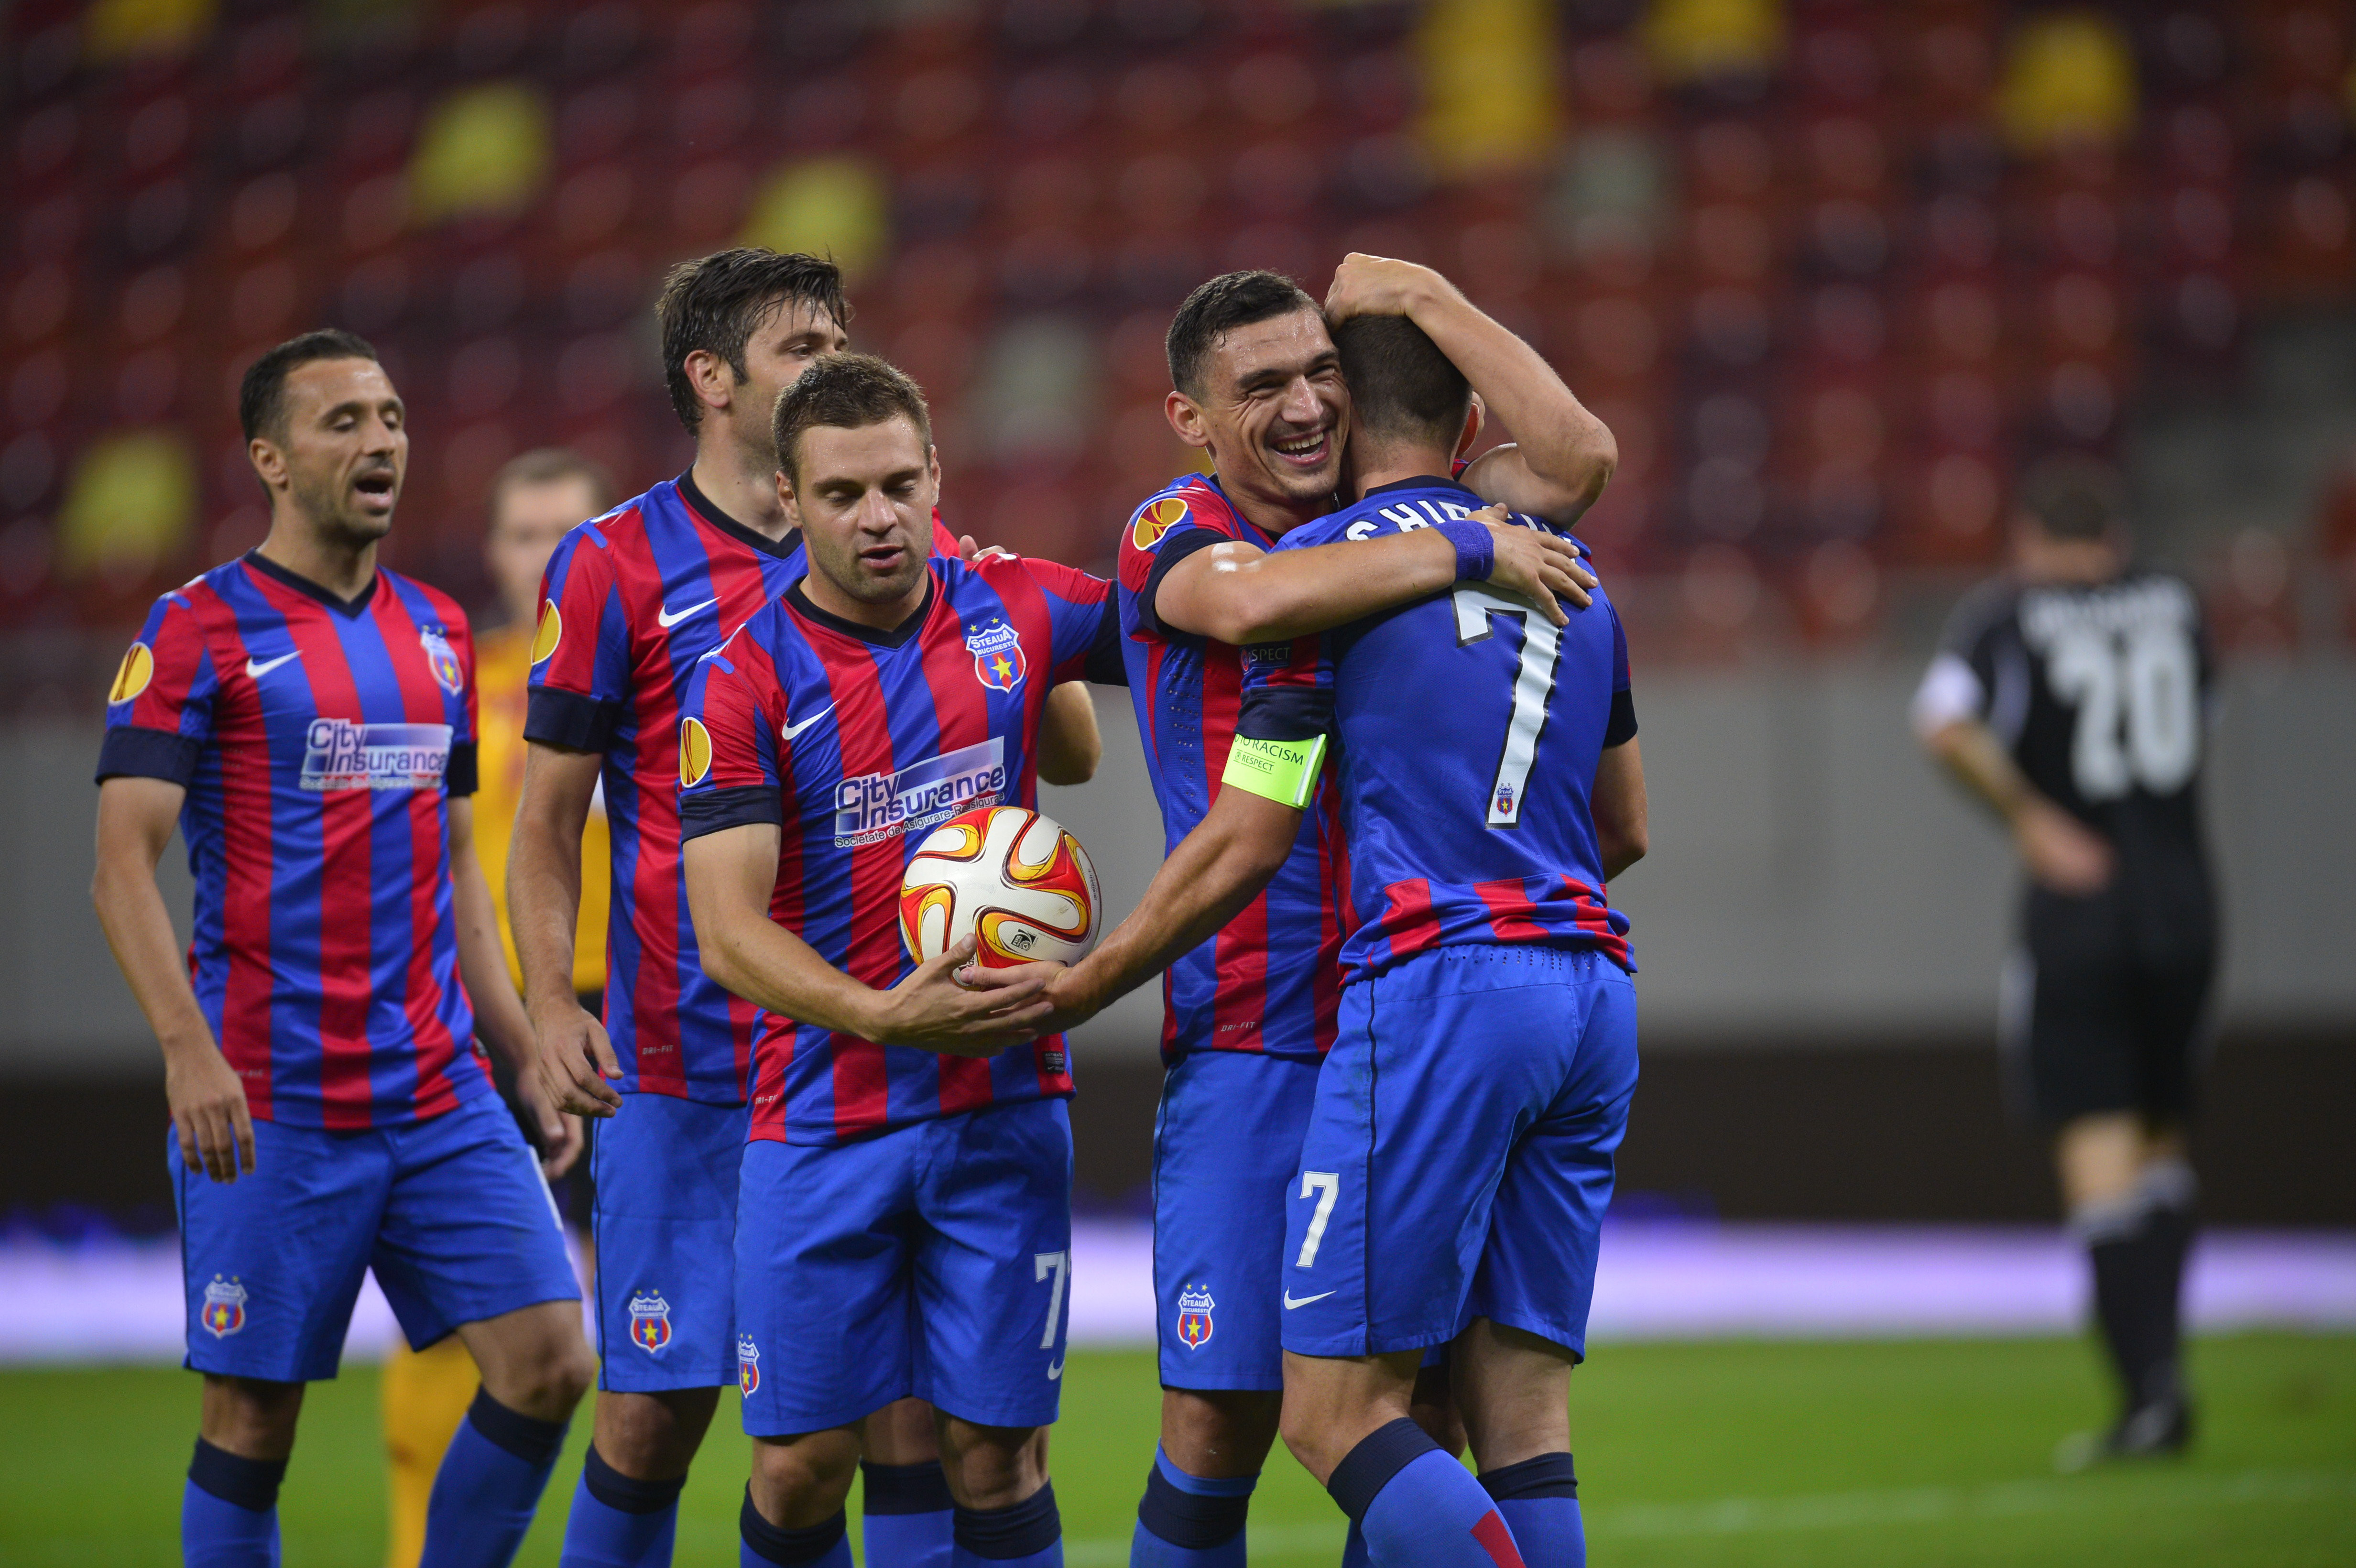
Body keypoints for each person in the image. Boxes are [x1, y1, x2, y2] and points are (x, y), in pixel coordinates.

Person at [977, 310, 1648, 1567]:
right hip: (1264, 1031)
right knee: (1223, 1417)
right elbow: (1623, 825)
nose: (1302, 405)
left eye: (1322, 372)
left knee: (1407, 1411)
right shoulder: (1196, 533)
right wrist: (1469, 545)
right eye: (1264, 384)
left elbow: (1254, 826)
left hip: (1407, 1009)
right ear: (1189, 418)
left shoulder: (1361, 555)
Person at [513, 249, 1098, 1568]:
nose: (836, 363)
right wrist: (551, 997)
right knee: (655, 1412)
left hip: (893, 1058)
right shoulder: (612, 566)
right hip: (683, 1058)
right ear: (713, 379)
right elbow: (547, 821)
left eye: (842, 341)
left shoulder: (905, 537)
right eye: (804, 348)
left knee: (901, 1421)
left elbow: (1065, 744)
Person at [91, 329, 595, 1568]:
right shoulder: (198, 629)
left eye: (393, 418)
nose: (381, 442)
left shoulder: (437, 632)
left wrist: (523, 1050)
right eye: (344, 422)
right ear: (270, 457)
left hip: (436, 1090)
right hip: (272, 1097)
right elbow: (119, 869)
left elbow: (458, 872)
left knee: (549, 1361)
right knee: (252, 1423)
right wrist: (187, 1053)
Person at [677, 353, 1124, 1568]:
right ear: (789, 497)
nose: (876, 516)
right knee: (798, 1466)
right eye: (840, 493)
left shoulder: (1014, 602)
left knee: (999, 1453)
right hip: (823, 1114)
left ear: (935, 472)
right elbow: (727, 931)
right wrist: (880, 1013)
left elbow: (1188, 631)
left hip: (1003, 1103)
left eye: (896, 484)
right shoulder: (744, 676)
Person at [1911, 458, 2215, 1467]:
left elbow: (1942, 721)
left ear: (2028, 541)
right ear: (2115, 538)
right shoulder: (2176, 602)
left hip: (2083, 909)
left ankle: (2147, 1395)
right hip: (2185, 901)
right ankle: (2167, 1376)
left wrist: (2033, 820)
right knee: (2162, 1138)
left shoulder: (2008, 612)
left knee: (2097, 1142)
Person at [379, 448, 617, 1568]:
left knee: (658, 1332)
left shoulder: (666, 671)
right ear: (492, 551)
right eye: (526, 534)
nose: (547, 557)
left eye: (570, 534)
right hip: (483, 1027)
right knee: (454, 1325)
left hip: (636, 1018)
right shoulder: (447, 679)